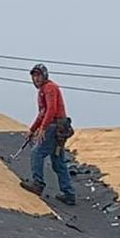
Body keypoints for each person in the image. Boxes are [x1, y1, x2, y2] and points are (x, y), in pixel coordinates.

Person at [20, 64, 75, 205]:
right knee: (58, 162)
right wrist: (32, 130)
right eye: (34, 76)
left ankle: (38, 184)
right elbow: (42, 113)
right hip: (59, 127)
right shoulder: (44, 90)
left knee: (37, 153)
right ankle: (69, 193)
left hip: (55, 127)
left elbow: (51, 110)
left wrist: (43, 129)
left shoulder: (49, 88)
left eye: (38, 75)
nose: (36, 78)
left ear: (44, 75)